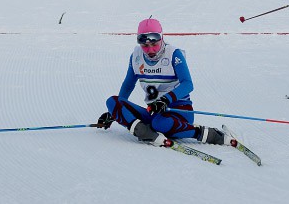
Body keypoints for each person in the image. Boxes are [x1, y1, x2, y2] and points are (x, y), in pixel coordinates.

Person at [96, 17, 233, 147]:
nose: (150, 50)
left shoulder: (173, 54)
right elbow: (128, 84)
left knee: (159, 124)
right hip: (154, 111)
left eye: (154, 44)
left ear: (161, 38)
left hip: (178, 110)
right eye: (145, 45)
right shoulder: (136, 57)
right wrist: (117, 112)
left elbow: (188, 83)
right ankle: (144, 132)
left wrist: (165, 100)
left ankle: (207, 134)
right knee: (112, 102)